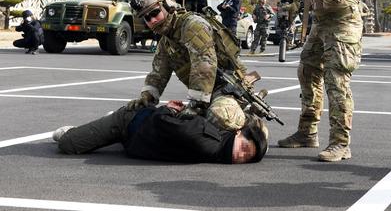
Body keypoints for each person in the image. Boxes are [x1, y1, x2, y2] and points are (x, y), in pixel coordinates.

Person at [272, 0, 363, 162]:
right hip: (323, 21)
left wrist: (309, 4)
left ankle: (340, 143)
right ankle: (307, 132)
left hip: (343, 20)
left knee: (336, 80)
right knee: (307, 69)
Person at [127, 0, 247, 130]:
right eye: (146, 17)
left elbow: (204, 64)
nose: (152, 20)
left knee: (220, 116)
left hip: (230, 88)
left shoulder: (193, 26)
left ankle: (250, 123)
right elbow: (158, 74)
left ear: (168, 5)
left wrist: (196, 105)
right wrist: (146, 97)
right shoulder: (166, 42)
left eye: (154, 13)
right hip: (207, 96)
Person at [53, 100, 268, 164]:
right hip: (128, 122)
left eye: (246, 157)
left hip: (135, 141)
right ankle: (79, 129)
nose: (240, 155)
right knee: (67, 143)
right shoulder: (205, 137)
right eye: (244, 149)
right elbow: (161, 121)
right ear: (238, 133)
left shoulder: (216, 145)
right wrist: (167, 109)